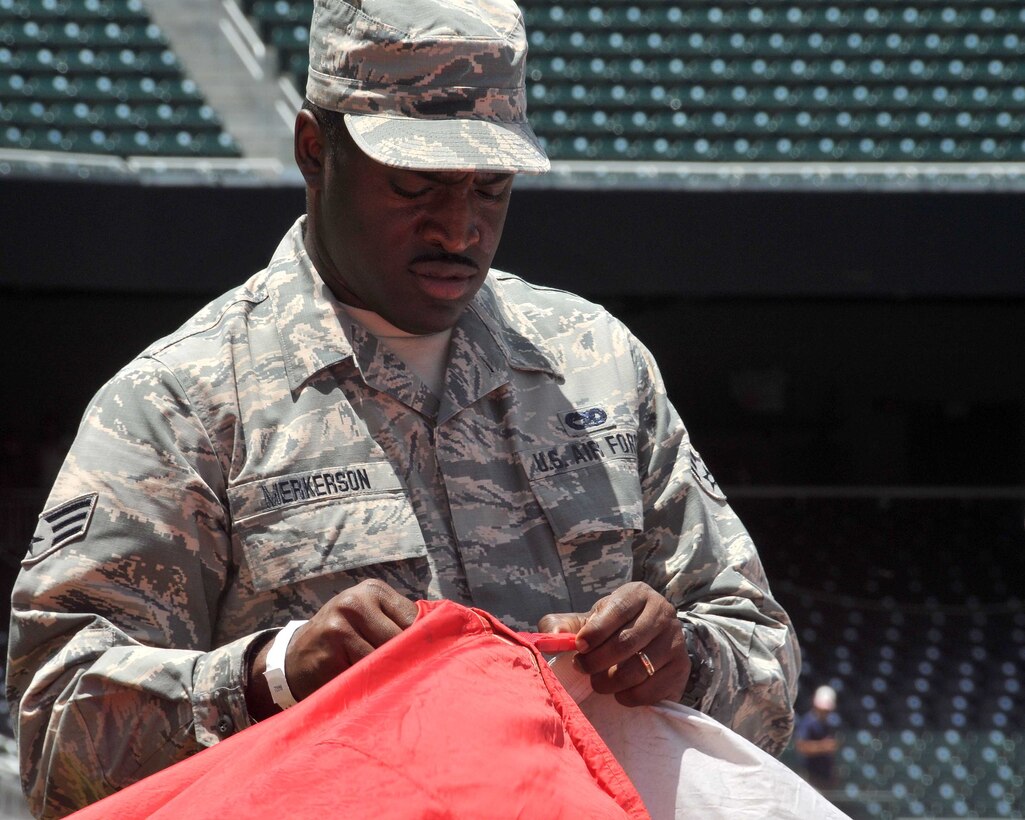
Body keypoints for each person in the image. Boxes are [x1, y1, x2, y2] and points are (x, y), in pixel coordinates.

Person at [7, 0, 800, 816]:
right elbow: (56, 741)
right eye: (414, 184)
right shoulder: (182, 402)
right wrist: (270, 675)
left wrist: (686, 660)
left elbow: (764, 657)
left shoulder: (597, 366)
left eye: (490, 188)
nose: (457, 229)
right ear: (315, 150)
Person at [795, 684, 840, 791]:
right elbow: (801, 746)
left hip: (824, 778)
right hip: (811, 778)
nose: (825, 712)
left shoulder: (830, 724)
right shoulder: (808, 722)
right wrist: (823, 747)